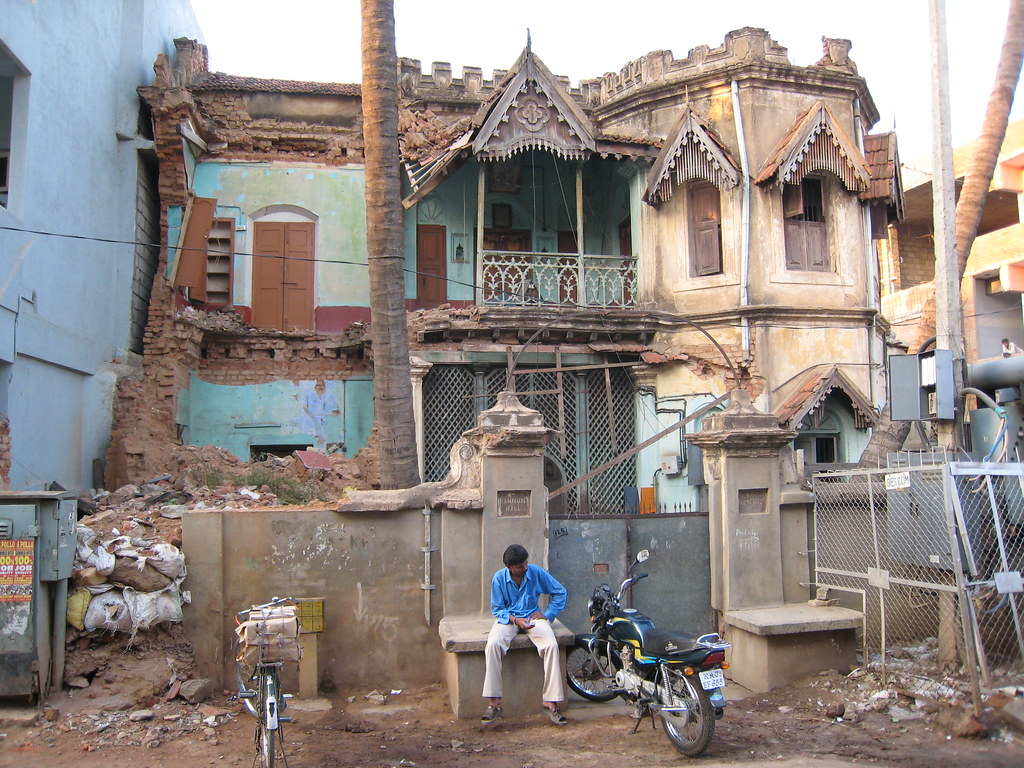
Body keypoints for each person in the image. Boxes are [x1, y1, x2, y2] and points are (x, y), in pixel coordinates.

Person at [481, 543, 568, 726]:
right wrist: (515, 620)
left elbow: (560, 592)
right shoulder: (498, 578)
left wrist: (547, 614)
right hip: (509, 619)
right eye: (520, 566)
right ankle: (494, 703)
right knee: (493, 645)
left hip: (533, 617)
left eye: (526, 563)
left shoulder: (535, 572)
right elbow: (497, 609)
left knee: (551, 645)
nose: (525, 567)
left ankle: (551, 703)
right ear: (509, 567)